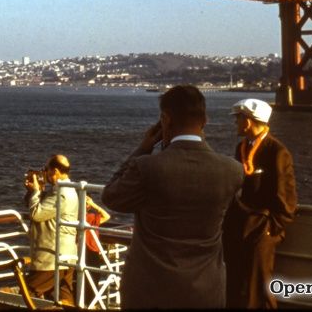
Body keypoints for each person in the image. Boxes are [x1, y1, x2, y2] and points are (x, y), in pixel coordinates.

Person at [101, 84, 243, 309]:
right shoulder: (233, 171)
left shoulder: (147, 167)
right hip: (206, 291)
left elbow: (111, 196)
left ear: (165, 120)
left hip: (149, 292)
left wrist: (143, 148)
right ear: (205, 120)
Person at [223, 98, 297, 309]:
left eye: (238, 119)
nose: (235, 123)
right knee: (236, 287)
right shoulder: (242, 148)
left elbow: (287, 196)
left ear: (247, 121)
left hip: (261, 231)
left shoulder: (277, 151)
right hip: (240, 228)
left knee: (259, 290)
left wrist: (270, 229)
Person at [24, 154, 79, 304]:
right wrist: (34, 191)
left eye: (45, 169)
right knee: (63, 299)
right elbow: (42, 207)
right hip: (66, 256)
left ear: (54, 171)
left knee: (25, 293)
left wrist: (35, 192)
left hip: (52, 258)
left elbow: (36, 214)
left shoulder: (61, 194)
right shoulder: (67, 190)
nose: (43, 173)